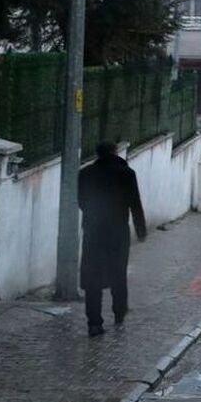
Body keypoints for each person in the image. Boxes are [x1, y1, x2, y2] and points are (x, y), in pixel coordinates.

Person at [78, 142, 147, 337]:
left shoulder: (86, 173)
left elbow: (81, 201)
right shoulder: (126, 173)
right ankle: (119, 311)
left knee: (92, 276)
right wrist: (140, 229)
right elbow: (135, 203)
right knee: (118, 272)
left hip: (93, 231)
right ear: (115, 153)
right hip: (118, 231)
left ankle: (94, 322)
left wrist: (94, 214)